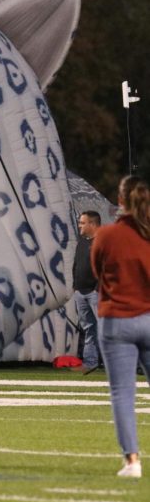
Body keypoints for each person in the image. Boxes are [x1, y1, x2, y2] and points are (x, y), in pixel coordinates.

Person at [91, 175, 150, 478]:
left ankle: (132, 461)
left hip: (117, 320)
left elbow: (97, 271)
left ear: (121, 200)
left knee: (123, 394)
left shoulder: (107, 234)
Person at [71, 210, 102, 373]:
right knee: (89, 328)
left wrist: (98, 289)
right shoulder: (82, 242)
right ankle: (90, 362)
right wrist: (75, 285)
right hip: (80, 292)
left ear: (92, 224)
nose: (80, 226)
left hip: (96, 293)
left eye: (83, 223)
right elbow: (76, 264)